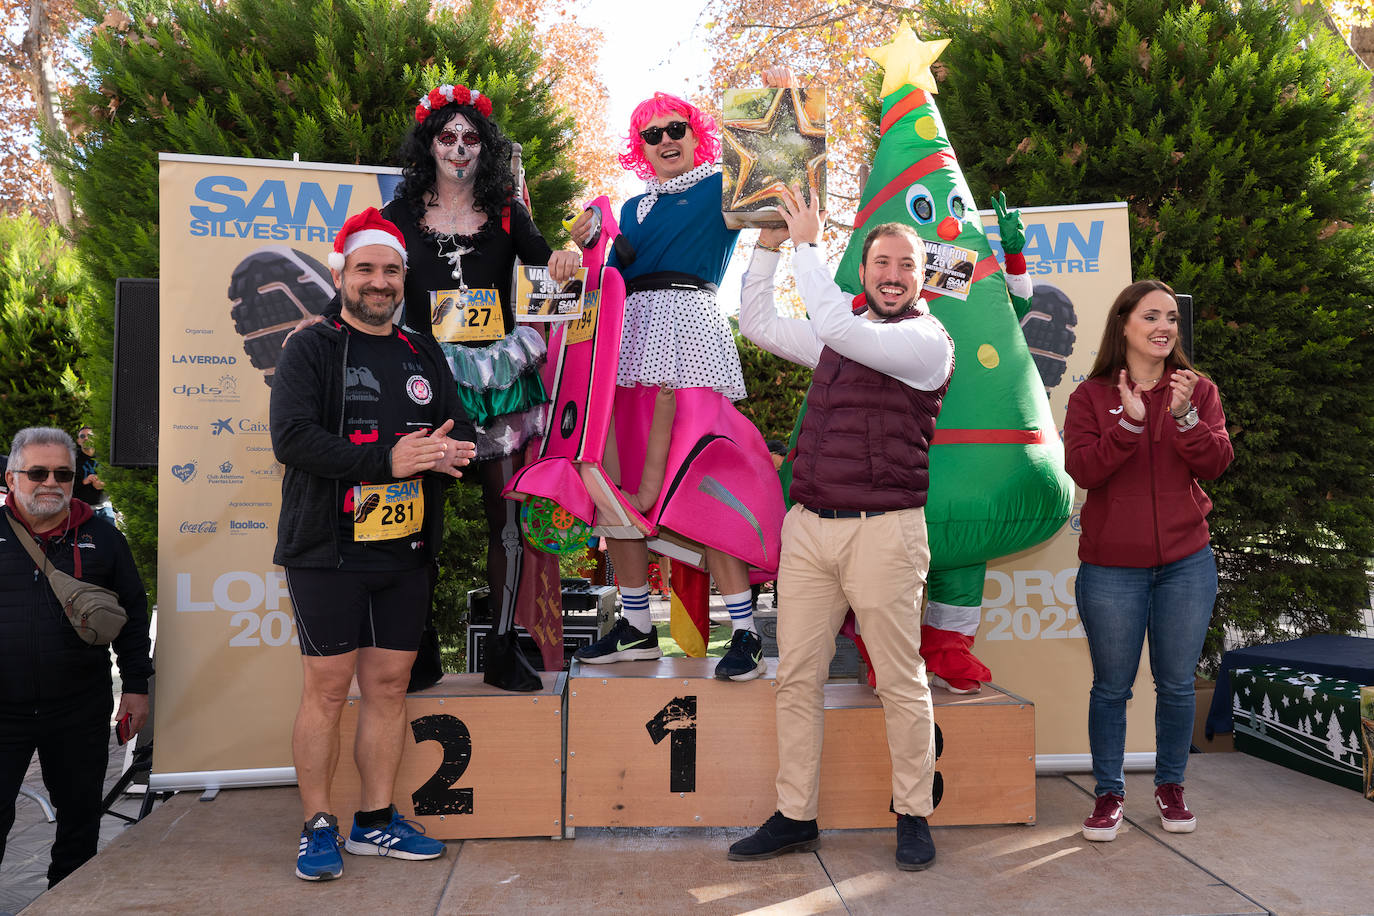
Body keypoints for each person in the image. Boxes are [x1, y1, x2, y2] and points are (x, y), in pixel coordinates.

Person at [730, 185, 954, 871]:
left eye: (905, 266)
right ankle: (796, 815)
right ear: (863, 271)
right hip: (810, 530)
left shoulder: (928, 342)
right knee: (795, 675)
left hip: (886, 533)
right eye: (880, 263)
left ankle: (913, 811)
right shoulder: (836, 336)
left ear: (921, 279)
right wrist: (768, 248)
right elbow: (758, 320)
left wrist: (805, 243)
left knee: (898, 678)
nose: (891, 275)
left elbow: (841, 328)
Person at [270, 208, 477, 881]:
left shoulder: (423, 350)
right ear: (342, 275)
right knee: (328, 687)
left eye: (390, 270)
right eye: (366, 269)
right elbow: (293, 439)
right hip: (324, 546)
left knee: (389, 685)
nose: (379, 281)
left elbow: (458, 426)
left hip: (405, 547)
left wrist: (450, 452)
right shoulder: (311, 346)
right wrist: (389, 460)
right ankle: (318, 825)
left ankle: (377, 822)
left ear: (403, 278)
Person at [567, 89, 773, 681]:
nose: (665, 141)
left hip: (692, 335)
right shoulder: (628, 209)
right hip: (626, 342)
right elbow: (595, 278)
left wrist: (784, 101)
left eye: (675, 128)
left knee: (707, 474)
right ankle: (634, 627)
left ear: (695, 133)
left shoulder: (720, 188)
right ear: (641, 149)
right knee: (618, 479)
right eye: (651, 135)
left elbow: (781, 169)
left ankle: (744, 631)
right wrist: (580, 245)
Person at [381, 83, 578, 692]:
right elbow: (368, 277)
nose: (459, 148)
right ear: (429, 144)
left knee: (505, 519)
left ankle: (504, 649)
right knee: (415, 520)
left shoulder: (507, 214)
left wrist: (569, 252)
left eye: (470, 138)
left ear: (484, 148)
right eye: (447, 136)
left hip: (497, 380)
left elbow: (550, 265)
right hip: (422, 378)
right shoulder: (397, 217)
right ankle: (413, 651)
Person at [1063, 279, 1233, 841]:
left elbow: (1215, 464)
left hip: (1187, 563)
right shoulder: (1090, 396)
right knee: (1112, 687)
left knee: (1178, 684)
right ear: (1124, 326)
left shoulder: (1197, 390)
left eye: (1171, 319)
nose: (1164, 328)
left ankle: (1170, 786)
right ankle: (1109, 794)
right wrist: (1130, 422)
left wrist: (1184, 417)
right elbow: (1084, 470)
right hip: (1112, 568)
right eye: (1151, 317)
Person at [0, 426, 152, 887]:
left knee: (80, 822)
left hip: (78, 708)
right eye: (37, 472)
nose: (51, 482)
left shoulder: (104, 539)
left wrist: (137, 689)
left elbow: (132, 617)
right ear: (11, 479)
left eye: (63, 473)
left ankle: (67, 902)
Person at [72, 427, 114, 523]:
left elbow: (116, 479)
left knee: (111, 537)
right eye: (82, 436)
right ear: (78, 441)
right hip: (82, 510)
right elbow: (66, 485)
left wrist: (104, 484)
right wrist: (84, 481)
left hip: (105, 507)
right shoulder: (72, 460)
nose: (86, 438)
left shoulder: (105, 457)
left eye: (90, 436)